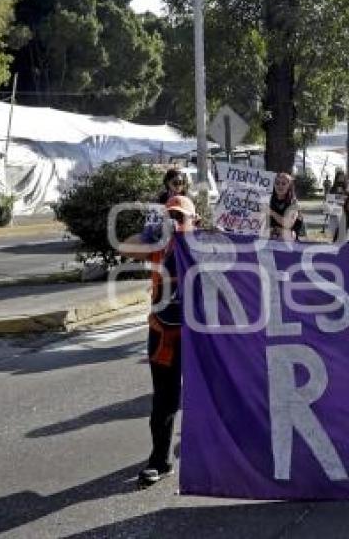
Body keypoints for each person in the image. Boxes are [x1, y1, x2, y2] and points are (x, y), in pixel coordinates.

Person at [120, 195, 198, 487]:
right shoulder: (158, 245)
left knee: (207, 396)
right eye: (171, 217)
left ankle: (217, 454)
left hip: (199, 338)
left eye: (181, 218)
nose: (175, 223)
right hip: (163, 334)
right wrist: (148, 233)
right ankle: (160, 460)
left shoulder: (205, 246)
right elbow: (123, 246)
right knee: (164, 401)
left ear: (194, 221)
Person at [268, 172, 303, 241]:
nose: (280, 186)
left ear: (289, 186)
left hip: (290, 239)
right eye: (277, 183)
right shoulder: (269, 200)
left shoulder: (294, 203)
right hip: (271, 236)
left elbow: (288, 223)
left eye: (283, 184)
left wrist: (271, 212)